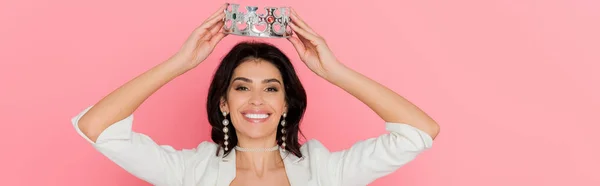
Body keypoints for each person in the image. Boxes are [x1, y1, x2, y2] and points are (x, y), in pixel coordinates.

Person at [71, 3, 440, 186]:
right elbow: (98, 128)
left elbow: (418, 133)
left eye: (271, 88)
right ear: (224, 102)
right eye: (242, 87)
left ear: (286, 104)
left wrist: (335, 71)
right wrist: (180, 63)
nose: (257, 100)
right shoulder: (191, 171)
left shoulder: (324, 170)